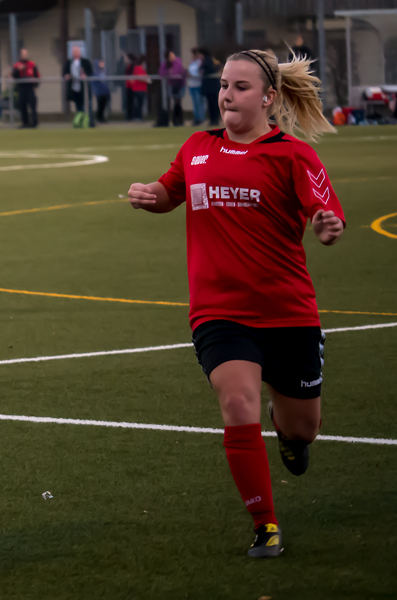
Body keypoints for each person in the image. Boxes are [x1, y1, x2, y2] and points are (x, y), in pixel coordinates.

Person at [127, 49, 343, 558]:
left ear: (268, 97)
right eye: (224, 85)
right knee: (236, 402)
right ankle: (264, 523)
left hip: (288, 311)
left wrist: (326, 224)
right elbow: (169, 192)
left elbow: (325, 211)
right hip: (219, 312)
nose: (227, 94)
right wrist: (149, 195)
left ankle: (288, 432)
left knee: (303, 427)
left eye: (240, 87)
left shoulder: (294, 154)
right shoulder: (198, 147)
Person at [63, 45, 93, 127]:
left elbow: (90, 72)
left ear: (80, 53)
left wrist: (85, 75)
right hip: (74, 87)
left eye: (77, 51)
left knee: (87, 104)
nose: (75, 53)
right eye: (74, 51)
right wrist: (67, 75)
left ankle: (89, 122)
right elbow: (65, 72)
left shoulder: (85, 62)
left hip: (84, 87)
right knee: (78, 105)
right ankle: (79, 122)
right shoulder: (69, 62)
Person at [12, 48, 39, 128]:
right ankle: (25, 123)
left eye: (25, 54)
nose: (24, 56)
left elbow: (37, 76)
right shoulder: (17, 65)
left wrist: (35, 86)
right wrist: (17, 70)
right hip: (21, 88)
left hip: (30, 87)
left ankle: (34, 123)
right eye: (23, 54)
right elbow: (14, 76)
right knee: (22, 105)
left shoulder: (32, 64)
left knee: (32, 105)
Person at [159, 50, 186, 126]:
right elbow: (162, 73)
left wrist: (171, 72)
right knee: (170, 101)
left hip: (179, 85)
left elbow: (179, 71)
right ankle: (169, 119)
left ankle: (178, 120)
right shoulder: (166, 64)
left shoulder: (177, 62)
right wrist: (167, 71)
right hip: (171, 85)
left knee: (178, 101)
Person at [200, 49, 221, 126]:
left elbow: (205, 70)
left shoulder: (207, 62)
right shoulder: (214, 62)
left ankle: (213, 120)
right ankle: (214, 120)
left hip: (210, 86)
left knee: (212, 104)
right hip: (214, 86)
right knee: (214, 103)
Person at [129, 55, 150, 121]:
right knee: (137, 104)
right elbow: (139, 77)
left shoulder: (143, 69)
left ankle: (140, 117)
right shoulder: (137, 68)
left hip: (142, 89)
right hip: (137, 89)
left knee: (141, 104)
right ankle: (137, 117)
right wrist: (146, 79)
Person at [187, 48, 205, 125]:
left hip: (198, 84)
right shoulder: (191, 62)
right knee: (194, 103)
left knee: (199, 102)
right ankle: (196, 118)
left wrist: (192, 76)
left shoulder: (199, 62)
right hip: (191, 84)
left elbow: (200, 74)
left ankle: (201, 118)